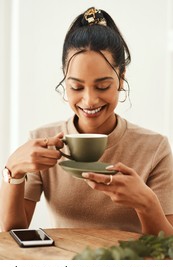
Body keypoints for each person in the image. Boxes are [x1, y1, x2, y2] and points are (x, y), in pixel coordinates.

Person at [1, 7, 173, 235]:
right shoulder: (43, 142)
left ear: (121, 80)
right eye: (76, 86)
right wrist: (13, 171)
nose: (90, 100)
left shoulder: (154, 148)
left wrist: (146, 203)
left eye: (103, 86)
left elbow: (167, 249)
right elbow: (13, 232)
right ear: (65, 80)